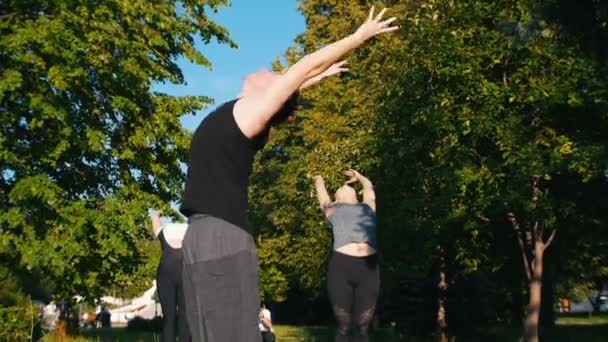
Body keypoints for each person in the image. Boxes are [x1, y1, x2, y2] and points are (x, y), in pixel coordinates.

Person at [179, 7, 398, 341]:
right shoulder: (245, 111)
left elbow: (301, 68)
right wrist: (314, 80)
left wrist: (357, 37)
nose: (270, 70)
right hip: (203, 235)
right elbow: (297, 80)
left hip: (220, 237)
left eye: (278, 78)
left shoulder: (251, 115)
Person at [313, 169, 379, 342]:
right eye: (338, 190)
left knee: (363, 327)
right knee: (344, 327)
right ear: (337, 199)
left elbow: (369, 187)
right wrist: (319, 180)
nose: (343, 187)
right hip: (341, 268)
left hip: (369, 268)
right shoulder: (333, 209)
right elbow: (322, 196)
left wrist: (360, 177)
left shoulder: (367, 207)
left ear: (356, 195)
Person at [151, 210, 190, 342]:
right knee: (185, 318)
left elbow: (155, 224)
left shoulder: (163, 231)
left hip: (165, 276)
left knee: (169, 317)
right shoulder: (192, 232)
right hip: (187, 276)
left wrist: (157, 214)